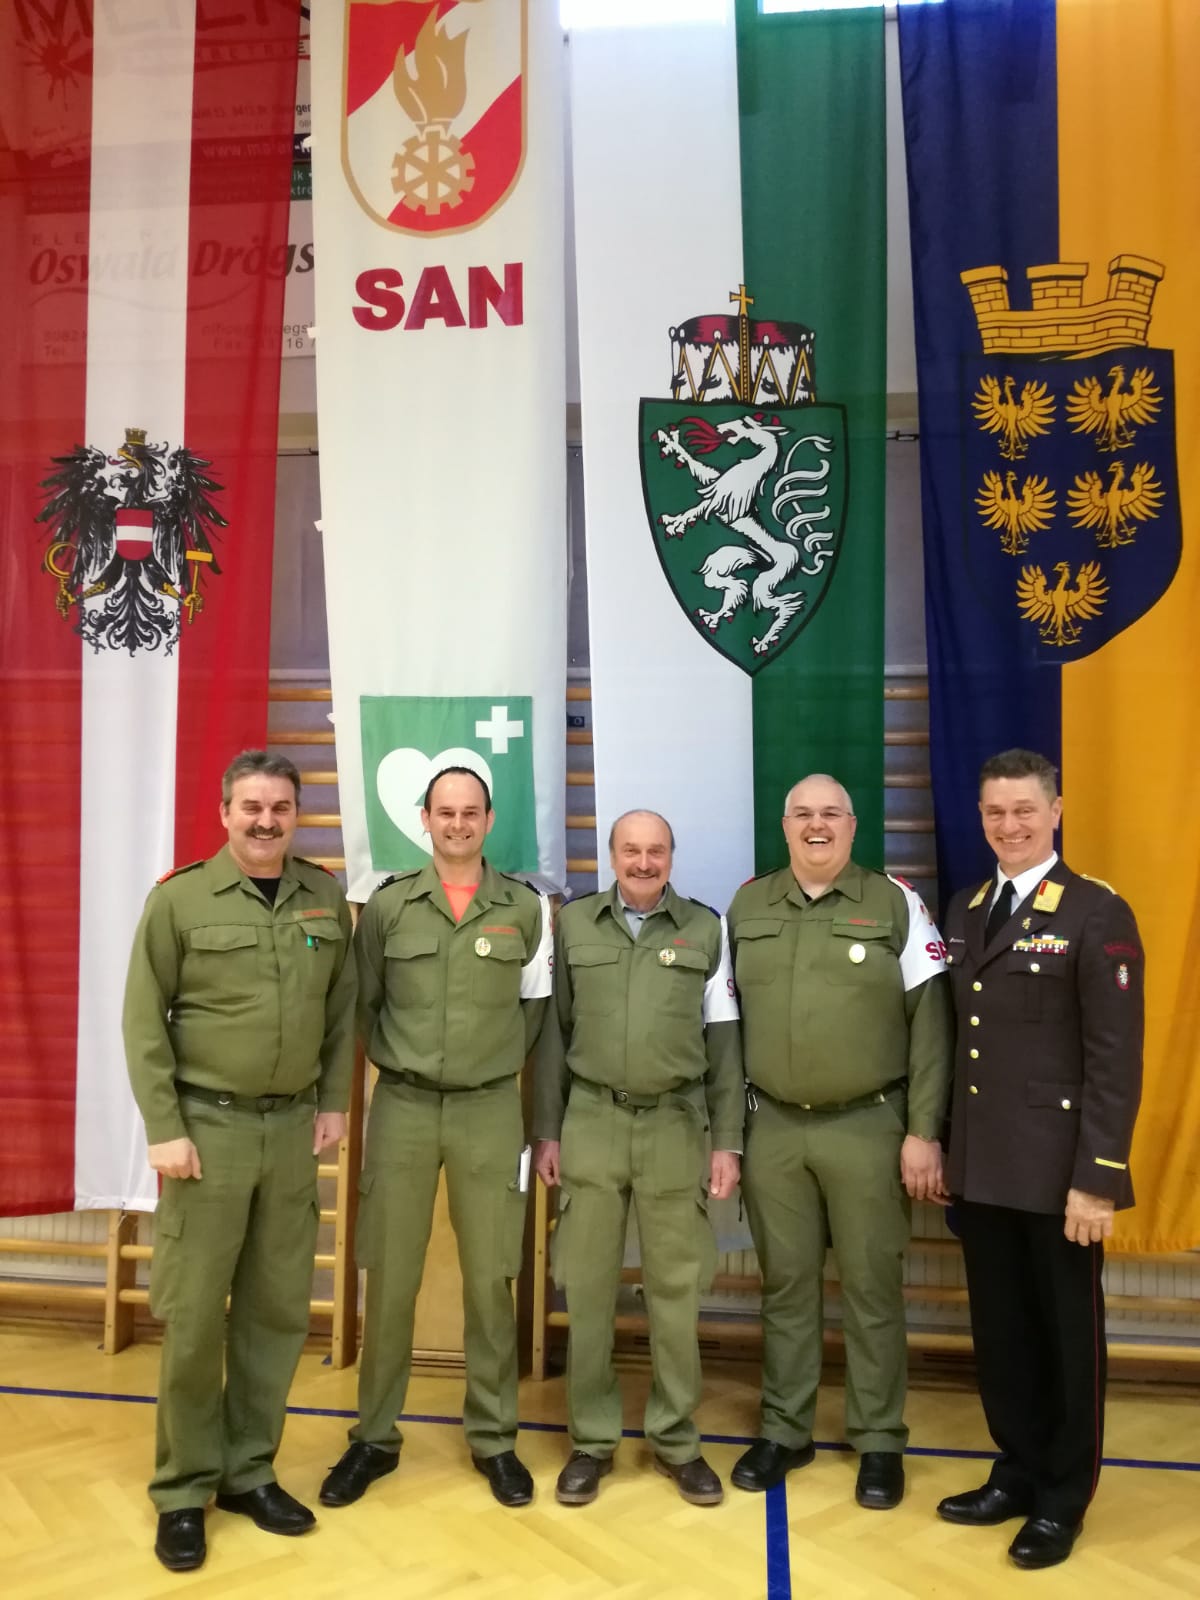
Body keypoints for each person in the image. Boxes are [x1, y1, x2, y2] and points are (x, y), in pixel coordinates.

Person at [122, 749, 356, 1573]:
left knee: (276, 1310)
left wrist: (333, 1099)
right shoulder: (179, 900)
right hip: (205, 1134)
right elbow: (143, 1021)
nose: (266, 821)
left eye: (280, 808)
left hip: (290, 1132)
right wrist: (164, 1126)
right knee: (194, 1316)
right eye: (251, 807)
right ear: (225, 812)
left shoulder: (323, 897)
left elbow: (341, 1011)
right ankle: (183, 1489)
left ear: (297, 816)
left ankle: (248, 1471)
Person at [320, 767, 552, 1510]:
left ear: (490, 819)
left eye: (470, 811)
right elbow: (363, 1006)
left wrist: (505, 1084)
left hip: (490, 1112)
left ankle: (494, 1438)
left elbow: (538, 1015)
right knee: (389, 1276)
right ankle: (373, 1437)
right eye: (444, 811)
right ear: (424, 818)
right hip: (404, 1108)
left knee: (491, 1280)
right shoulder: (388, 907)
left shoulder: (525, 909)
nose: (457, 823)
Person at [937, 749, 1144, 1570]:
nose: (1009, 825)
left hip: (1061, 1176)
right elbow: (961, 1041)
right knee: (1003, 1334)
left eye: (1025, 809)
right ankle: (1017, 1470)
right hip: (984, 1166)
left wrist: (1098, 1179)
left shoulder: (1095, 911)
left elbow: (1115, 1060)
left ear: (1055, 811)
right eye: (995, 812)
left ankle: (1064, 1496)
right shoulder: (967, 907)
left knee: (1066, 1341)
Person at [727, 774, 953, 1509]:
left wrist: (923, 1131)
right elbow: (723, 1029)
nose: (816, 825)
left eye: (830, 814)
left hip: (869, 1126)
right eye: (802, 814)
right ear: (784, 826)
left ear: (853, 827)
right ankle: (784, 1429)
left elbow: (933, 1026)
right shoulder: (747, 905)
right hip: (774, 1127)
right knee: (786, 1286)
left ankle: (879, 1439)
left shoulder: (895, 903)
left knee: (871, 1289)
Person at [533, 810, 743, 1508]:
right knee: (589, 1288)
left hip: (675, 1124)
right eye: (631, 850)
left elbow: (724, 1045)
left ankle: (676, 1439)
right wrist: (548, 1130)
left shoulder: (706, 929)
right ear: (612, 855)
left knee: (676, 1293)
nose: (644, 863)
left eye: (656, 851)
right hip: (592, 1118)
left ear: (671, 857)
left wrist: (727, 1142)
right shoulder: (573, 925)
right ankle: (591, 1441)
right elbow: (553, 1034)